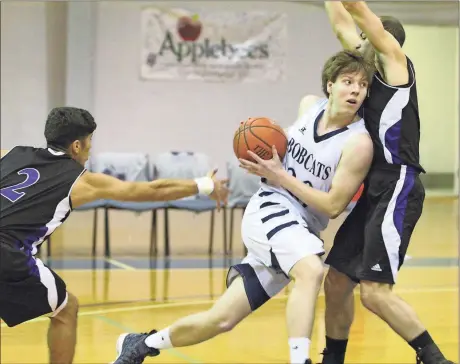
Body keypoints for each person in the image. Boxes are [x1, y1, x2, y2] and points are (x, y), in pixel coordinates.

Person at [110, 49, 374, 364]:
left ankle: (141, 344)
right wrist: (260, 158)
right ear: (329, 85)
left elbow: (332, 206)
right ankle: (300, 360)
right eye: (348, 81)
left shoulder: (359, 144)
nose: (356, 90)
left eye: (362, 84)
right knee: (311, 270)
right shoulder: (308, 107)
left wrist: (279, 174)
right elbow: (272, 155)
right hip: (270, 207)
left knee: (220, 319)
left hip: (300, 226)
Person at [0, 106, 229, 364]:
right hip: (7, 252)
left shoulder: (11, 154)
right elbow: (151, 191)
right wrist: (204, 184)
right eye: (89, 142)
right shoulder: (80, 180)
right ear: (76, 146)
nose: (89, 149)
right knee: (66, 310)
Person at [319, 2, 453, 364]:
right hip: (374, 188)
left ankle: (433, 358)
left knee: (374, 294)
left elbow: (359, 16)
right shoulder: (364, 69)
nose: (357, 42)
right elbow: (342, 24)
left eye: (366, 37)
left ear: (380, 41)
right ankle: (333, 358)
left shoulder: (395, 66)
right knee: (337, 281)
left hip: (399, 183)